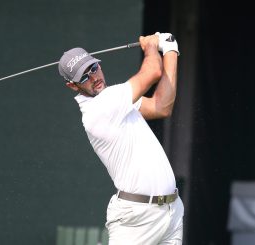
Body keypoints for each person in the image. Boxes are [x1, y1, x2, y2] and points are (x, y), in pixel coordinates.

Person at [58, 33, 184, 245]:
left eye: (93, 68)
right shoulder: (99, 108)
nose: (94, 77)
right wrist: (152, 45)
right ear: (73, 85)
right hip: (136, 219)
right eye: (84, 77)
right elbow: (152, 71)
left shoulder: (115, 100)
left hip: (171, 210)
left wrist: (171, 50)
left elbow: (161, 106)